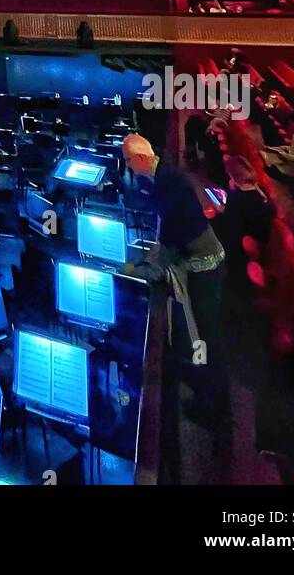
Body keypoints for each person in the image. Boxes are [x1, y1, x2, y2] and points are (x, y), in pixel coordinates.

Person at [122, 134, 228, 427]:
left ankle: (213, 408)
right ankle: (205, 386)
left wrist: (130, 269)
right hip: (195, 259)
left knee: (206, 337)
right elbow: (167, 237)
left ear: (141, 159)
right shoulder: (165, 176)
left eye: (129, 162)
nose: (129, 168)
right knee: (200, 334)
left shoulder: (167, 185)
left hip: (205, 265)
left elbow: (167, 248)